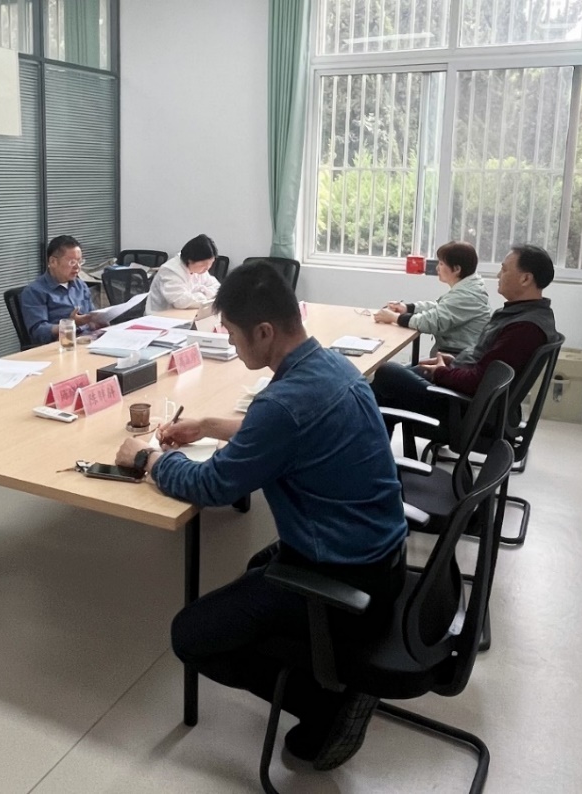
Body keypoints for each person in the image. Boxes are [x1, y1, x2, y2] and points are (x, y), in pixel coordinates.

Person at [116, 262, 409, 771]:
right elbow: (287, 428)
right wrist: (210, 425)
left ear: (265, 331)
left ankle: (329, 706)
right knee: (256, 568)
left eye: (232, 334)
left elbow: (211, 486)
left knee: (191, 636)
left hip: (343, 577)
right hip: (382, 557)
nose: (231, 345)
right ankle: (323, 664)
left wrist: (148, 459)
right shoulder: (332, 366)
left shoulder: (282, 405)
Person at [371, 244, 558, 428]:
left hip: (469, 411)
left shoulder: (524, 328)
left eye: (504, 269)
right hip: (471, 397)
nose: (498, 275)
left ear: (525, 279)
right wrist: (454, 361)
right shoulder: (527, 315)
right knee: (380, 391)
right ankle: (372, 443)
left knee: (387, 374)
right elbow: (486, 365)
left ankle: (369, 442)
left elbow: (479, 382)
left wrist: (442, 372)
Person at [375, 241, 490, 355]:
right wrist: (407, 308)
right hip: (454, 355)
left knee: (387, 366)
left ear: (456, 269)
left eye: (441, 264)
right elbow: (440, 307)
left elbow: (431, 322)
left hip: (456, 359)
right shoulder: (470, 288)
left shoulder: (467, 295)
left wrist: (394, 317)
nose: (437, 268)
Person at [21, 235, 105, 345]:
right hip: (61, 346)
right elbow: (38, 331)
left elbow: (91, 316)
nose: (77, 267)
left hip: (88, 340)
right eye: (72, 262)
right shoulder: (35, 291)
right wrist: (69, 325)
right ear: (53, 262)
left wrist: (98, 321)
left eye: (80, 262)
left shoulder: (80, 285)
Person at [145, 233, 221, 313]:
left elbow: (217, 288)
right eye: (203, 264)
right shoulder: (170, 270)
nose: (207, 268)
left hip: (186, 313)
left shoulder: (199, 270)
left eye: (211, 263)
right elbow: (181, 301)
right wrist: (204, 294)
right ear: (190, 260)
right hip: (161, 316)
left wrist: (201, 293)